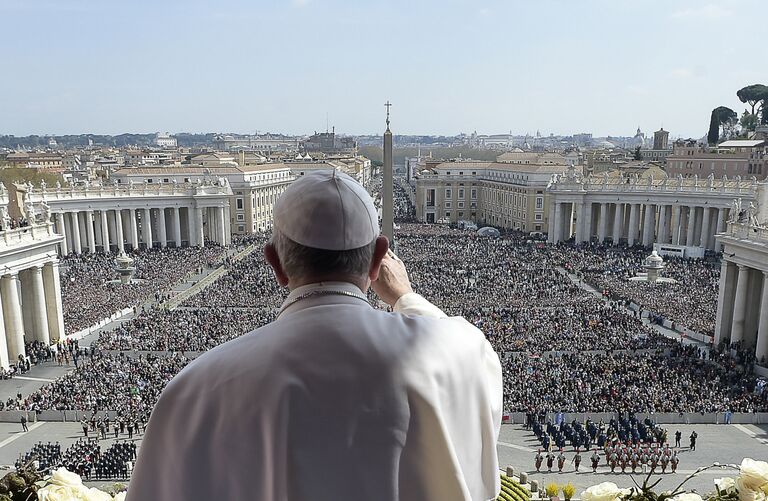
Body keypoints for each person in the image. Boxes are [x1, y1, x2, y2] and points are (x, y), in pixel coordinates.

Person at [127, 171, 503, 501]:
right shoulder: (456, 353)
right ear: (378, 260)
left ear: (274, 263)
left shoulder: (194, 389)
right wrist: (405, 297)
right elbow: (469, 351)